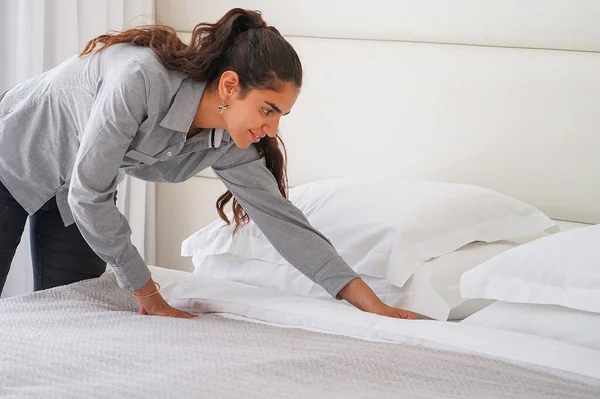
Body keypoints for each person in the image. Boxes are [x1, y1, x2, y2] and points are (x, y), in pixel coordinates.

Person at [0, 8, 417, 320]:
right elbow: (91, 195)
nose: (271, 129)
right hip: (10, 161)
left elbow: (283, 222)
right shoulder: (140, 81)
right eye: (267, 109)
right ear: (231, 85)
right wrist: (148, 294)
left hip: (72, 190)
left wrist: (372, 304)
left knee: (71, 317)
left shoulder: (230, 143)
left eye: (280, 117)